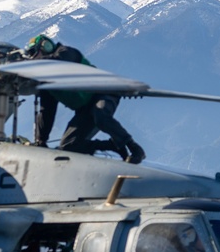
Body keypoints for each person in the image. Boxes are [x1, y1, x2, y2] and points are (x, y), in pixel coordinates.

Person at [24, 34, 145, 164]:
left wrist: (32, 65)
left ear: (45, 47)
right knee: (68, 147)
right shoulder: (46, 84)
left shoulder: (66, 53)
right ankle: (112, 146)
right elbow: (46, 112)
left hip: (104, 93)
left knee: (101, 115)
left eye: (33, 54)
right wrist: (41, 141)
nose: (33, 58)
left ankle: (134, 148)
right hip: (85, 109)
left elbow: (59, 62)